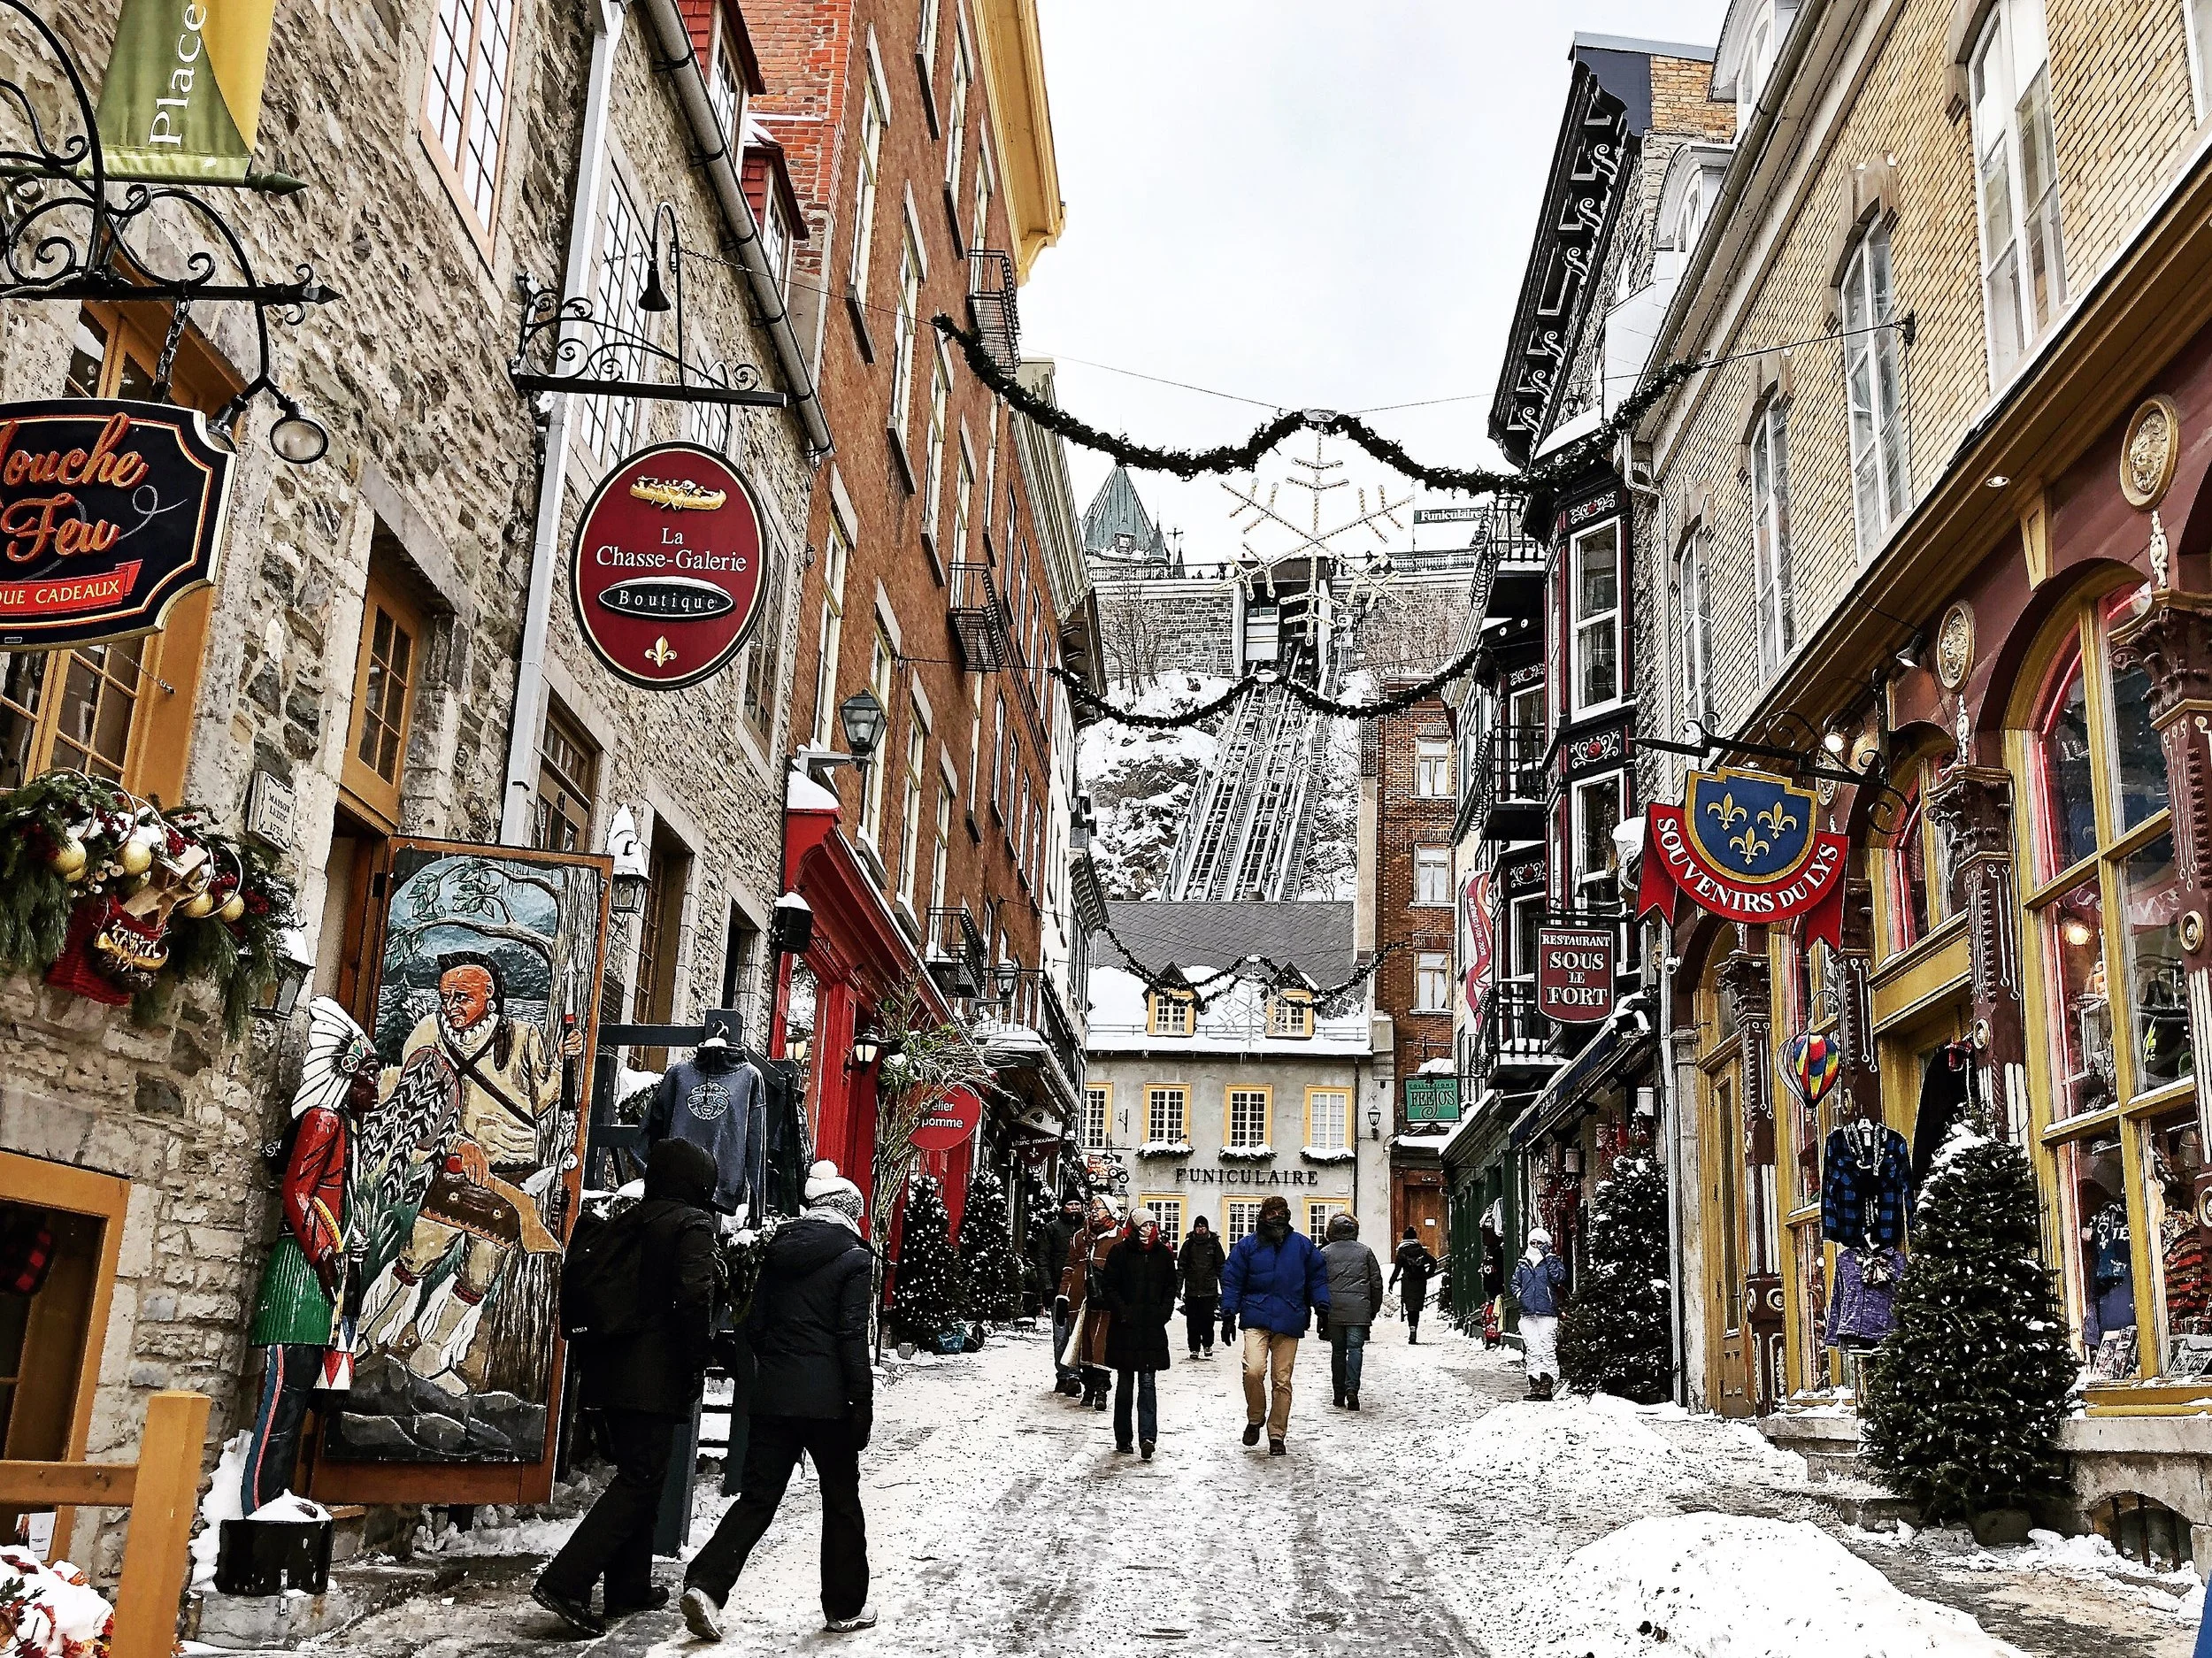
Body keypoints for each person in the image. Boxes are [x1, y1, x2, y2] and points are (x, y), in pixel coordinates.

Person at [358, 953, 580, 1393]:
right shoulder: (427, 1034)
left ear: (489, 996)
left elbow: (548, 1099)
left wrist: (569, 1061)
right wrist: (455, 1139)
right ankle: (371, 1337)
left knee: (481, 1272)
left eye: (463, 997)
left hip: (512, 1172)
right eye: (445, 996)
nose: (451, 1005)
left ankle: (434, 1356)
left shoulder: (521, 1036)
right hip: (455, 1165)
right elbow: (413, 1099)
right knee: (416, 1256)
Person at [681, 1161, 876, 1641]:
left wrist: (779, 1369)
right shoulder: (855, 1259)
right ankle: (844, 1607)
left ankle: (706, 1586)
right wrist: (860, 1401)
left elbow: (755, 1325)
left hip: (775, 1397)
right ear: (849, 1212)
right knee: (842, 1503)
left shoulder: (777, 1251)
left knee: (759, 1499)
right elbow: (852, 1338)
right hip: (830, 1403)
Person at [533, 1140, 720, 1638]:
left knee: (643, 1474)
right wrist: (698, 1362)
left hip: (609, 1367)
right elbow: (694, 1298)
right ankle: (567, 1581)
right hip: (653, 1374)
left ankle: (628, 1584)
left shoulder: (628, 1219)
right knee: (640, 1478)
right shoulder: (692, 1226)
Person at [1219, 1194, 1331, 1455]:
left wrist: (1322, 1307)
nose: (1277, 1217)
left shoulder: (1302, 1246)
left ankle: (1277, 1434)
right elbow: (1233, 1280)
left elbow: (1317, 1278)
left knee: (1282, 1380)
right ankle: (1256, 1417)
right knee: (1253, 1371)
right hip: (1256, 1315)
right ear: (1263, 1215)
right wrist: (1228, 1313)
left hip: (1290, 1317)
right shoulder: (1248, 1246)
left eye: (1281, 1212)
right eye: (1272, 1212)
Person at [1102, 1213, 1177, 1458]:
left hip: (1151, 1329)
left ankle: (1147, 1436)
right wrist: (1123, 1311)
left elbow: (1170, 1286)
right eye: (1144, 1224)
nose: (1149, 1228)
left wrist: (1164, 1312)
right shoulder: (1120, 1252)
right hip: (1126, 1328)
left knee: (1147, 1384)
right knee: (1125, 1385)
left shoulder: (1162, 1254)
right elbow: (1109, 1287)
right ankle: (1123, 1437)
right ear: (1134, 1227)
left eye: (1152, 1224)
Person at [1060, 1196, 1123, 1410]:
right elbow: (1069, 1267)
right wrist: (1063, 1295)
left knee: (1101, 1343)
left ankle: (1102, 1389)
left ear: (1111, 1211)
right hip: (1081, 1297)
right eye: (1093, 1208)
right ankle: (1088, 1388)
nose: (1095, 1212)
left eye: (1100, 1208)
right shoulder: (1080, 1236)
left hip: (1106, 1298)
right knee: (1083, 1343)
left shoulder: (1119, 1238)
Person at [1319, 1213, 1385, 1411]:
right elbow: (1376, 1283)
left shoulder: (1325, 1252)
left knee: (1338, 1351)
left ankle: (1338, 1393)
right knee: (1356, 1350)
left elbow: (1317, 1283)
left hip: (1334, 1310)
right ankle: (1352, 1390)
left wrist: (1320, 1310)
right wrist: (1372, 1309)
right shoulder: (1365, 1252)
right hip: (1359, 1309)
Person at [1513, 1225, 1569, 1401]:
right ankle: (1534, 1383)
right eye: (1533, 1242)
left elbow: (1558, 1277)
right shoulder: (1523, 1264)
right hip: (1527, 1312)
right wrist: (1520, 1295)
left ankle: (1547, 1383)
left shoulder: (1551, 1262)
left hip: (1547, 1312)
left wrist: (1550, 1257)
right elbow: (1515, 1282)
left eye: (1540, 1243)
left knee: (1547, 1347)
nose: (1536, 1246)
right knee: (1533, 1348)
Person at [1037, 1195, 1087, 1394]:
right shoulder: (1052, 1229)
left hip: (1082, 1292)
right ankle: (1063, 1375)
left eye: (1077, 1204)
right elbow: (1043, 1259)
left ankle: (1075, 1375)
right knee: (1060, 1335)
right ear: (1063, 1206)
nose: (1074, 1208)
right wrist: (1048, 1288)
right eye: (1070, 1204)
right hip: (1059, 1290)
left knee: (1078, 1334)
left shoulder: (1088, 1230)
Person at [1177, 1215, 1226, 1358]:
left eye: (1202, 1227)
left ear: (1207, 1228)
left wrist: (1225, 1288)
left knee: (1208, 1320)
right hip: (1192, 1289)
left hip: (1209, 1290)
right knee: (1192, 1322)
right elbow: (1182, 1267)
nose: (1200, 1229)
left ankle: (1207, 1344)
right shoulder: (1189, 1244)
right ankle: (1194, 1348)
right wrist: (1178, 1287)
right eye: (1198, 1227)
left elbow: (1221, 1267)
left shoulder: (1214, 1244)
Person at [1390, 1227, 1440, 1345]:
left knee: (1410, 1308)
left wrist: (1391, 1282)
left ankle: (1411, 1330)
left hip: (1408, 1283)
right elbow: (1433, 1262)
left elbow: (1397, 1269)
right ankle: (1414, 1330)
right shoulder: (1420, 1250)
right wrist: (1427, 1275)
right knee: (1416, 1309)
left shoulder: (1402, 1252)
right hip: (1420, 1283)